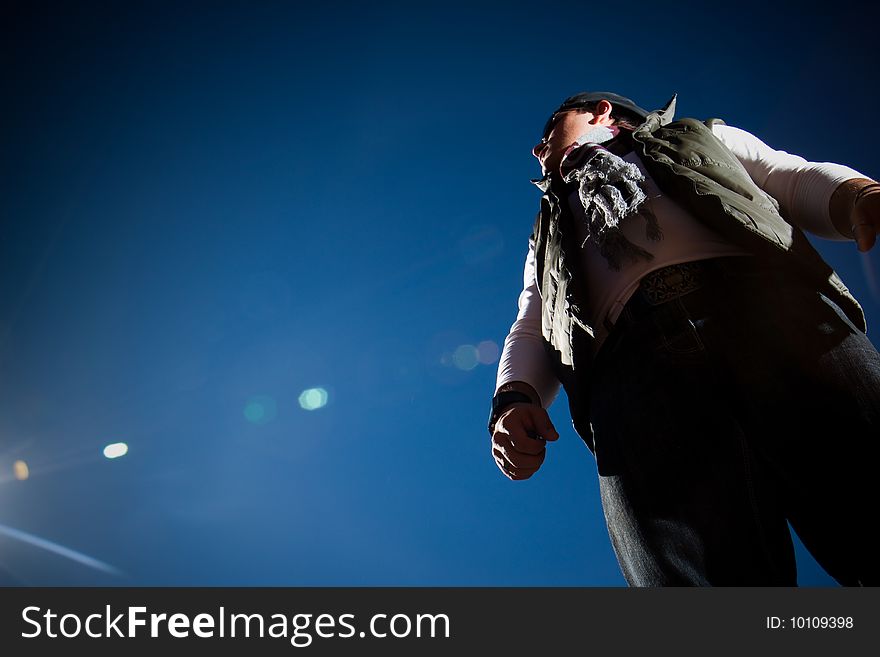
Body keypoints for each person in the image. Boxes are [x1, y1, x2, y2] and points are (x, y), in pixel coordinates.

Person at [489, 91, 880, 586]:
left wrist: (858, 195)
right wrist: (513, 397)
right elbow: (533, 319)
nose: (537, 149)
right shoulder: (547, 225)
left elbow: (788, 175)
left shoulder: (699, 136)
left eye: (549, 128)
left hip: (777, 318)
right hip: (633, 377)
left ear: (600, 112)